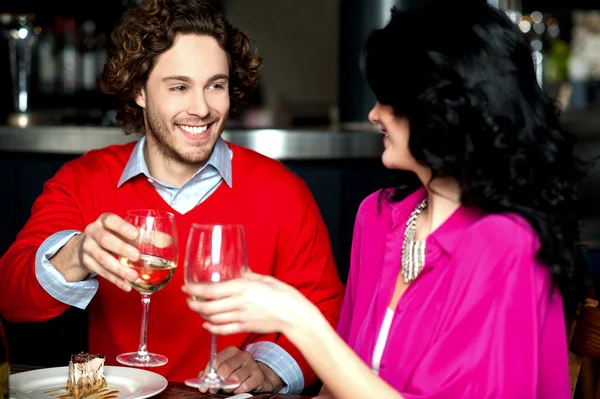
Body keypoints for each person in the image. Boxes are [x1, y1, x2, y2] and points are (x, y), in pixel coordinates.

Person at [182, 1, 591, 398]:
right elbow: (338, 386)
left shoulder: (508, 245)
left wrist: (299, 319)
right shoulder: (378, 217)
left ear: (443, 110)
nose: (375, 114)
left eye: (389, 100)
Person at [0, 0, 345, 394]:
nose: (201, 108)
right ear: (139, 90)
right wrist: (77, 254)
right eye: (179, 87)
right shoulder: (83, 179)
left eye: (215, 85)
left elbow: (328, 308)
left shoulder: (283, 190)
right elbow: (10, 297)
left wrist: (269, 367)